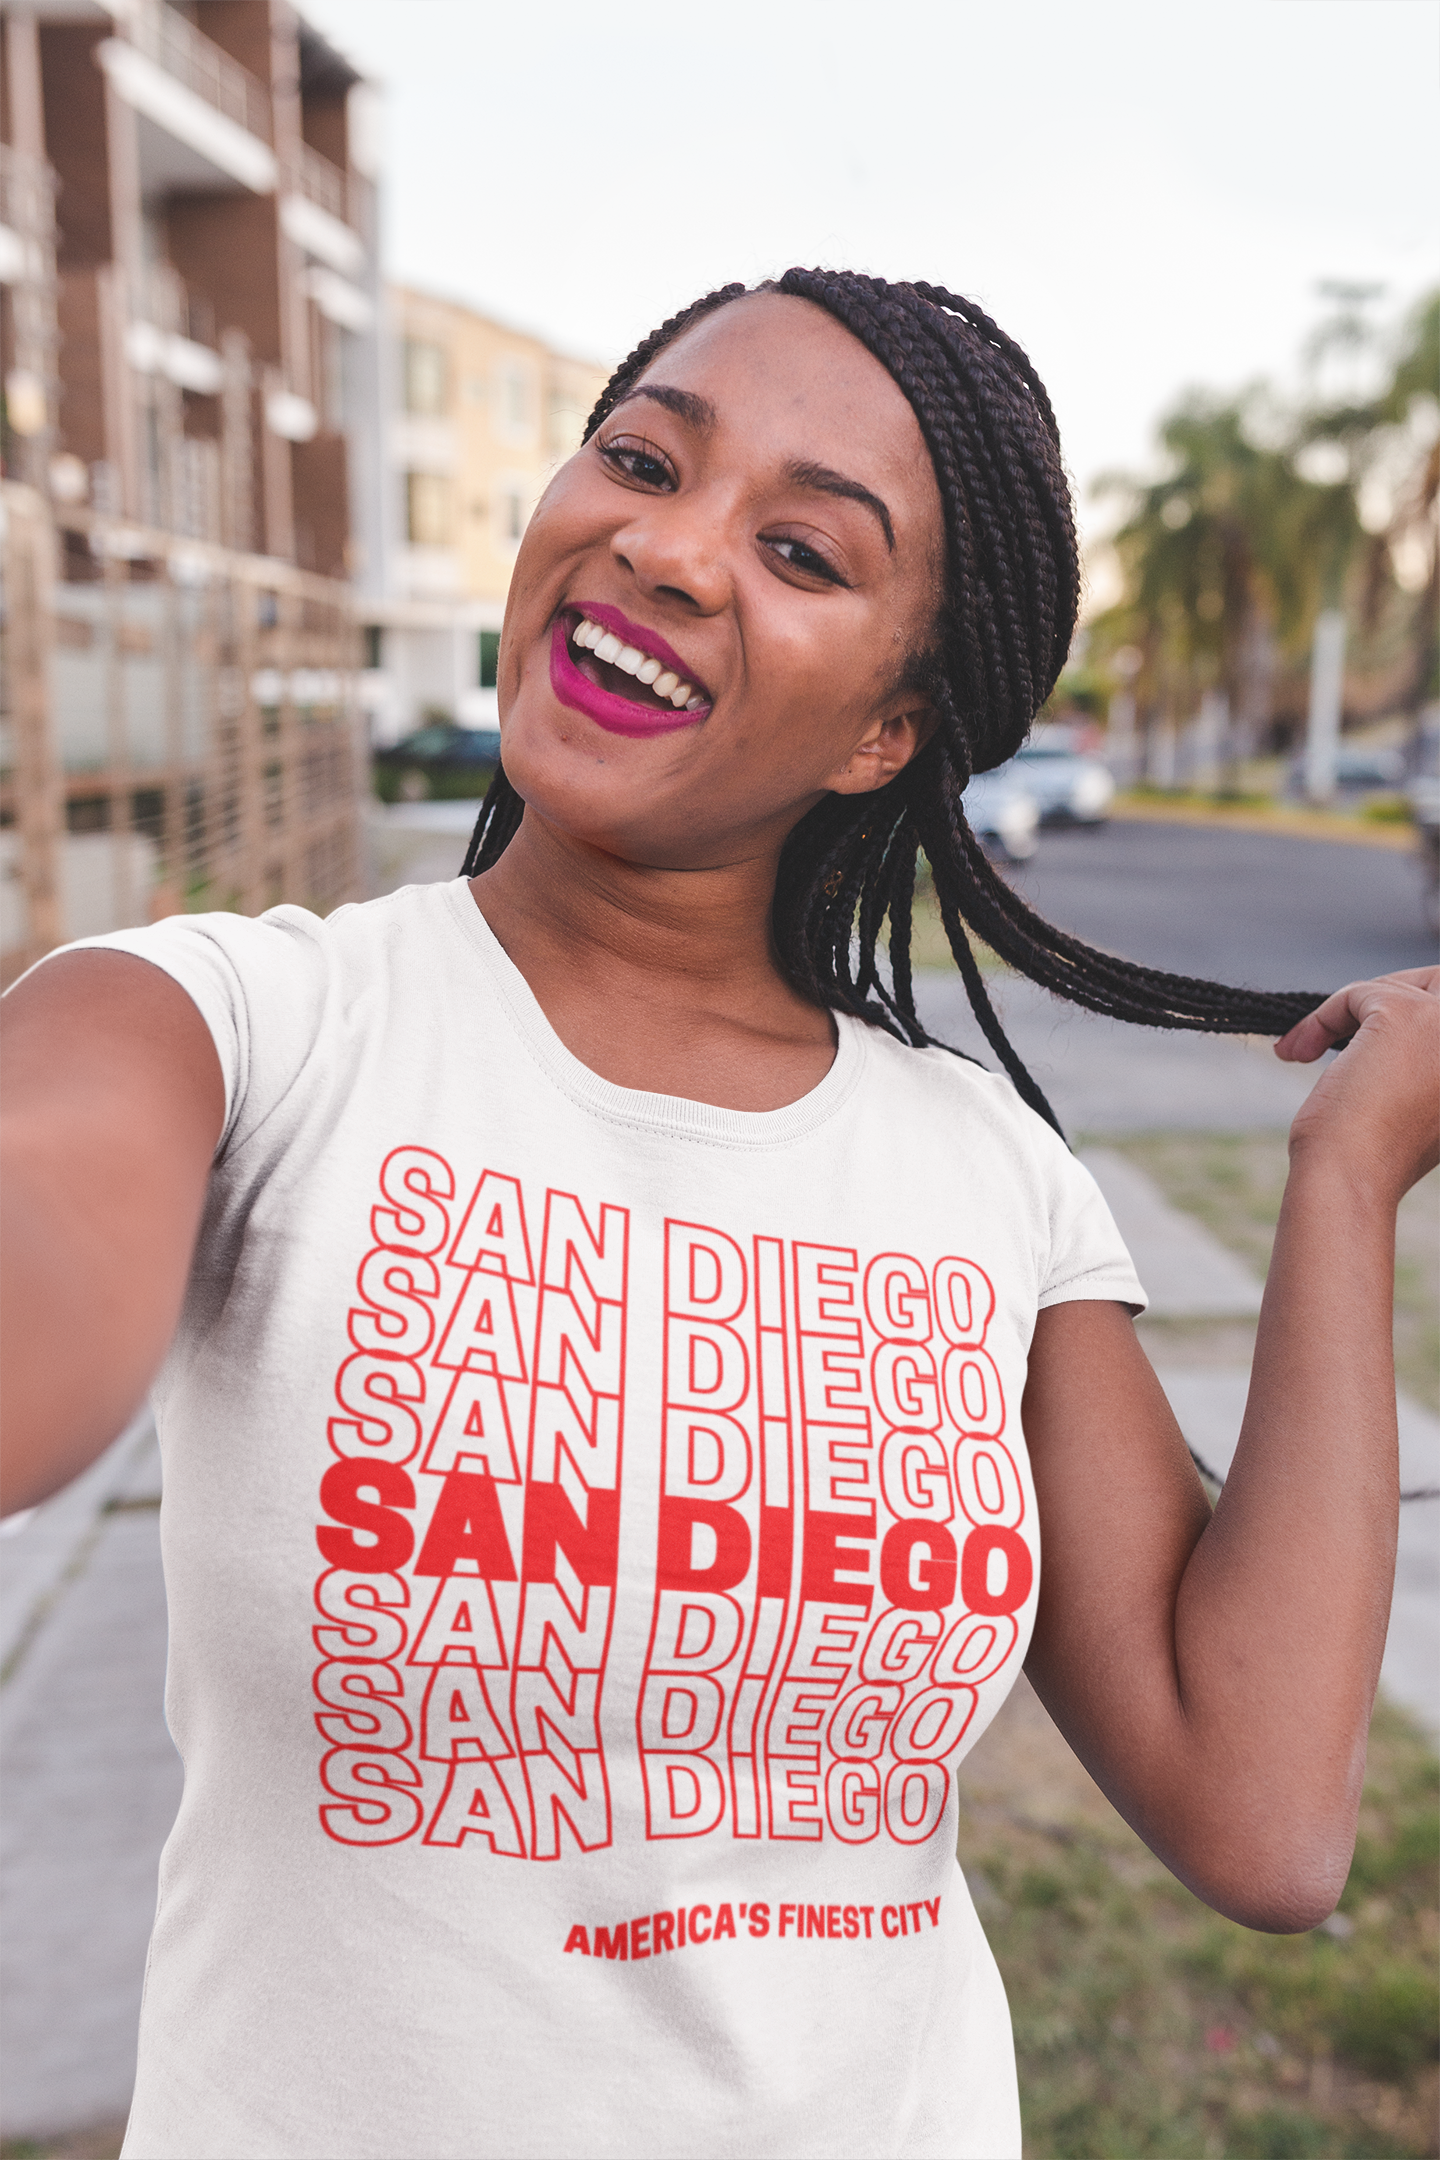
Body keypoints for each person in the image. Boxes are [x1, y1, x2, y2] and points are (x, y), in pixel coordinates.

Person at [2, 271, 1435, 2160]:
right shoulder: (233, 1022)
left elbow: (1258, 1813)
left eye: (799, 549)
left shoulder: (984, 1170)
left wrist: (1347, 1183)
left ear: (881, 734)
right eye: (640, 457)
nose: (664, 550)